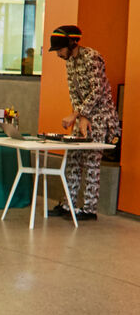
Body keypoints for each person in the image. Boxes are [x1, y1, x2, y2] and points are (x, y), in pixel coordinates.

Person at [48, 24, 120, 220]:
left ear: (71, 43)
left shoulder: (92, 58)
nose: (58, 54)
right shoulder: (69, 62)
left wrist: (78, 114)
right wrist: (80, 116)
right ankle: (68, 205)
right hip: (84, 116)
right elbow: (73, 93)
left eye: (60, 49)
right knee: (73, 159)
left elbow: (98, 90)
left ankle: (89, 210)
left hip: (101, 116)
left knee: (91, 162)